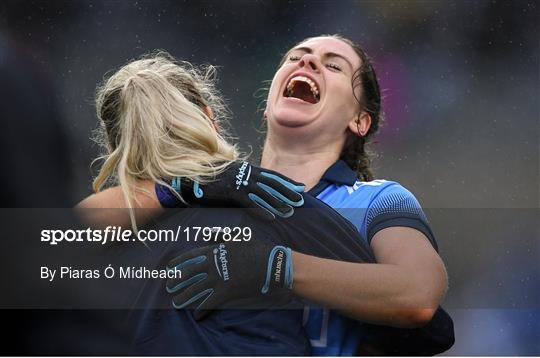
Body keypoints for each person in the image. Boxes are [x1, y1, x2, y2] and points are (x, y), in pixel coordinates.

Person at [81, 35, 453, 355]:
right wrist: (191, 185)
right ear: (266, 101)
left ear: (359, 120)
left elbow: (419, 299)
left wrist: (276, 267)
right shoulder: (218, 194)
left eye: (334, 65)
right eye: (295, 57)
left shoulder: (376, 200)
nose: (306, 60)